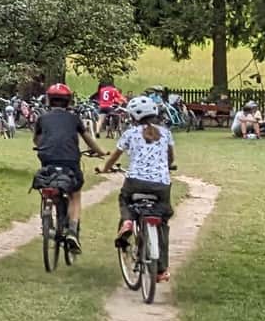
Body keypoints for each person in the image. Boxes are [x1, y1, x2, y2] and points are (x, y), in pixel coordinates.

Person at [98, 95, 176, 281]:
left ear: (132, 116)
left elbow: (114, 157)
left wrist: (104, 168)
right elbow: (170, 158)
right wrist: (166, 165)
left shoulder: (130, 134)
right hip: (161, 185)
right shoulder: (166, 133)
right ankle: (161, 269)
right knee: (162, 219)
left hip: (135, 181)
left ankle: (127, 221)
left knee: (124, 199)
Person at [33, 82, 104, 252]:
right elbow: (88, 139)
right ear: (68, 101)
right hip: (70, 162)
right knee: (75, 194)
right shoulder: (74, 119)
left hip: (48, 160)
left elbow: (37, 140)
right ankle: (72, 230)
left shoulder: (42, 119)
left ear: (49, 100)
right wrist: (100, 152)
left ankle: (48, 212)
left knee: (48, 181)